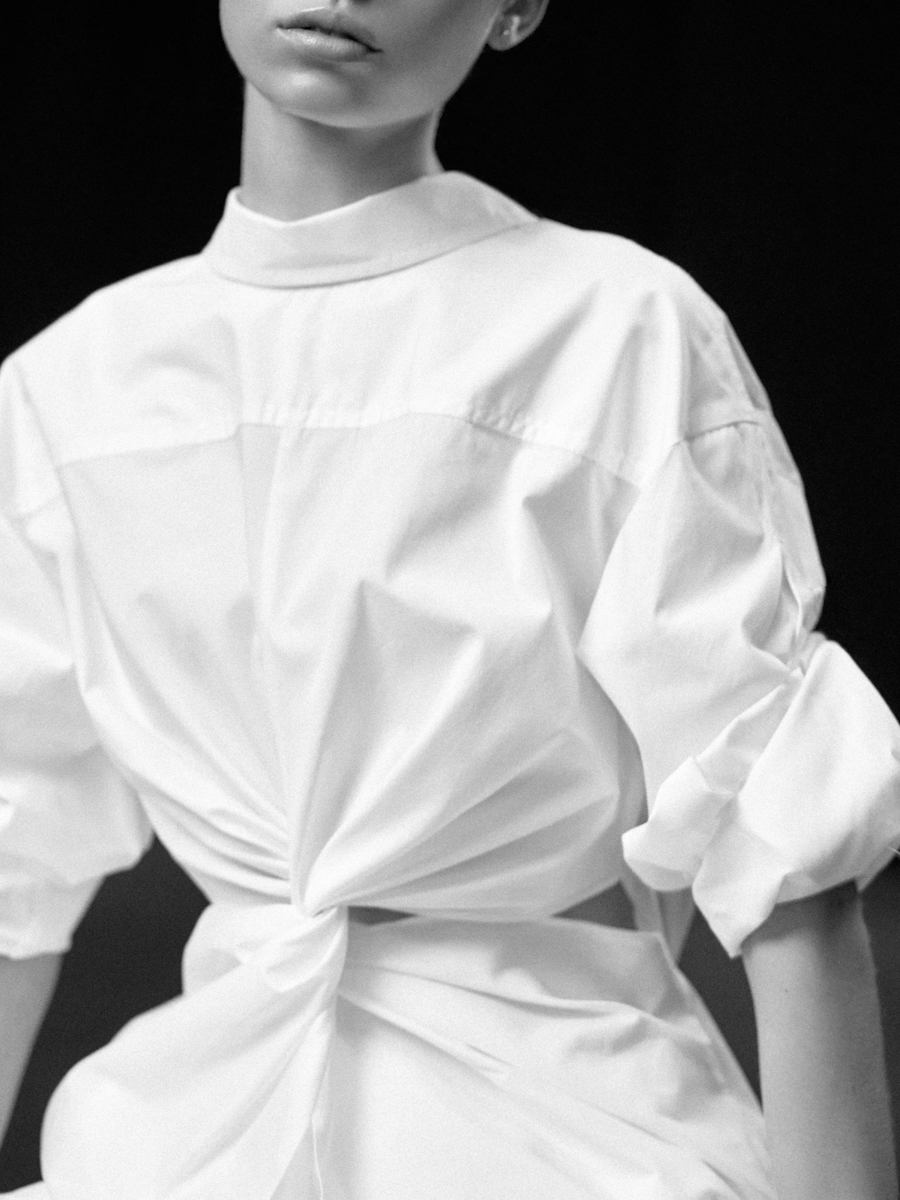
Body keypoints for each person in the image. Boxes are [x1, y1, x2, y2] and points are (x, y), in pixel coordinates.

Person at [1, 1, 898, 1197]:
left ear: (518, 7)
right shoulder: (69, 387)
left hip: (568, 1137)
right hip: (183, 1140)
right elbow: (12, 861)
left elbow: (786, 852)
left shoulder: (618, 330)